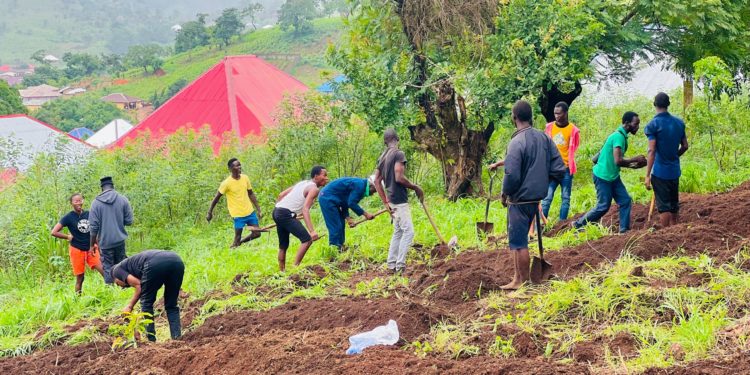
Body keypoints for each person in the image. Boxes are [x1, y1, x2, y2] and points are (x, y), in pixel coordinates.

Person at [489, 100, 566, 290]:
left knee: (518, 241)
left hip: (519, 199)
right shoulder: (544, 138)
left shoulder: (516, 142)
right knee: (520, 238)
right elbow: (559, 168)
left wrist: (505, 194)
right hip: (536, 197)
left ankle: (519, 281)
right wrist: (540, 181)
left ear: (514, 118)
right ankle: (521, 277)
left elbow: (512, 174)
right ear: (531, 117)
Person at [573, 112, 647, 233]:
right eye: (636, 124)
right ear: (627, 123)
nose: (638, 127)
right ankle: (577, 225)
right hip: (603, 176)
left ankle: (624, 230)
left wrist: (634, 166)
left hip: (613, 176)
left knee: (625, 201)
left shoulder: (620, 136)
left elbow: (616, 161)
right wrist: (635, 159)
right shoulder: (618, 136)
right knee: (603, 206)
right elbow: (618, 160)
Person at [374, 129, 424, 274]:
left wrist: (385, 202)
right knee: (408, 232)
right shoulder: (398, 153)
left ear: (385, 141)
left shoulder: (382, 156)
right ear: (397, 139)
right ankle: (400, 266)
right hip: (399, 199)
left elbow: (377, 181)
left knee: (398, 231)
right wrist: (416, 187)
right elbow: (399, 177)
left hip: (391, 199)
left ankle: (391, 265)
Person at [112, 250, 185, 342]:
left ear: (116, 279)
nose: (122, 287)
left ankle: (151, 341)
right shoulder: (132, 265)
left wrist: (130, 306)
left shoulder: (116, 271)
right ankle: (177, 338)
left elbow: (139, 285)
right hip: (177, 261)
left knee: (146, 304)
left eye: (118, 284)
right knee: (171, 305)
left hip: (154, 263)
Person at [644, 92, 689, 227]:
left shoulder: (653, 125)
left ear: (655, 105)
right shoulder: (679, 123)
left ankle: (666, 234)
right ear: (668, 104)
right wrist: (675, 156)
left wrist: (647, 175)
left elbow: (652, 150)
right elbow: (685, 146)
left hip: (660, 172)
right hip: (674, 171)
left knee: (664, 206)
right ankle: (675, 231)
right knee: (674, 204)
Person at [273, 166, 330, 271]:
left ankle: (282, 272)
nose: (327, 178)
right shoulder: (314, 189)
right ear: (316, 176)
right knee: (307, 240)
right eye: (324, 175)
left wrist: (282, 211)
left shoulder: (303, 183)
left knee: (283, 245)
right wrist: (312, 231)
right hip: (285, 214)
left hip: (277, 211)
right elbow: (305, 209)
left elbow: (281, 195)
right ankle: (295, 269)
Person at [51, 193, 105, 294]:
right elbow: (54, 232)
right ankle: (78, 299)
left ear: (83, 201)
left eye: (80, 200)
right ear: (71, 203)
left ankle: (110, 294)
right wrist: (67, 237)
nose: (78, 203)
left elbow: (95, 232)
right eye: (76, 201)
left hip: (91, 248)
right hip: (77, 249)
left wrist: (99, 248)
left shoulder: (89, 214)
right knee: (80, 277)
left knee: (104, 271)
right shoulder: (68, 217)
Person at [206, 158, 263, 248]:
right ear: (230, 169)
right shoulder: (226, 183)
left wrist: (259, 209)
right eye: (237, 166)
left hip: (250, 212)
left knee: (257, 233)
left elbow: (251, 193)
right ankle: (235, 245)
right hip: (238, 215)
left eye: (240, 165)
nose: (239, 167)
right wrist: (210, 212)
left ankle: (240, 242)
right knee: (237, 238)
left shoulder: (245, 178)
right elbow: (216, 198)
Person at [89, 176, 134, 285]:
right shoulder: (123, 199)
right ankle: (125, 287)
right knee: (121, 265)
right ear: (112, 186)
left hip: (105, 242)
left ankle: (111, 290)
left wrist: (91, 245)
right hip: (120, 240)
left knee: (108, 267)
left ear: (102, 188)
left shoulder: (95, 203)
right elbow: (129, 221)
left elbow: (93, 227)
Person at [541, 102, 581, 221]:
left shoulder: (573, 130)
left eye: (559, 113)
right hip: (552, 169)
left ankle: (561, 224)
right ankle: (542, 224)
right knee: (546, 198)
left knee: (565, 198)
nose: (556, 116)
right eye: (555, 113)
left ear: (565, 113)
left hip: (566, 169)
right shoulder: (549, 127)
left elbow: (574, 147)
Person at [318, 176, 378, 251]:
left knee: (341, 223)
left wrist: (347, 218)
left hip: (333, 199)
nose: (373, 194)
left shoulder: (360, 184)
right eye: (374, 191)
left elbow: (345, 201)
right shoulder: (360, 186)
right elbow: (351, 203)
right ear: (371, 186)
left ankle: (340, 246)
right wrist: (366, 214)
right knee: (336, 225)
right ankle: (334, 249)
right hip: (327, 198)